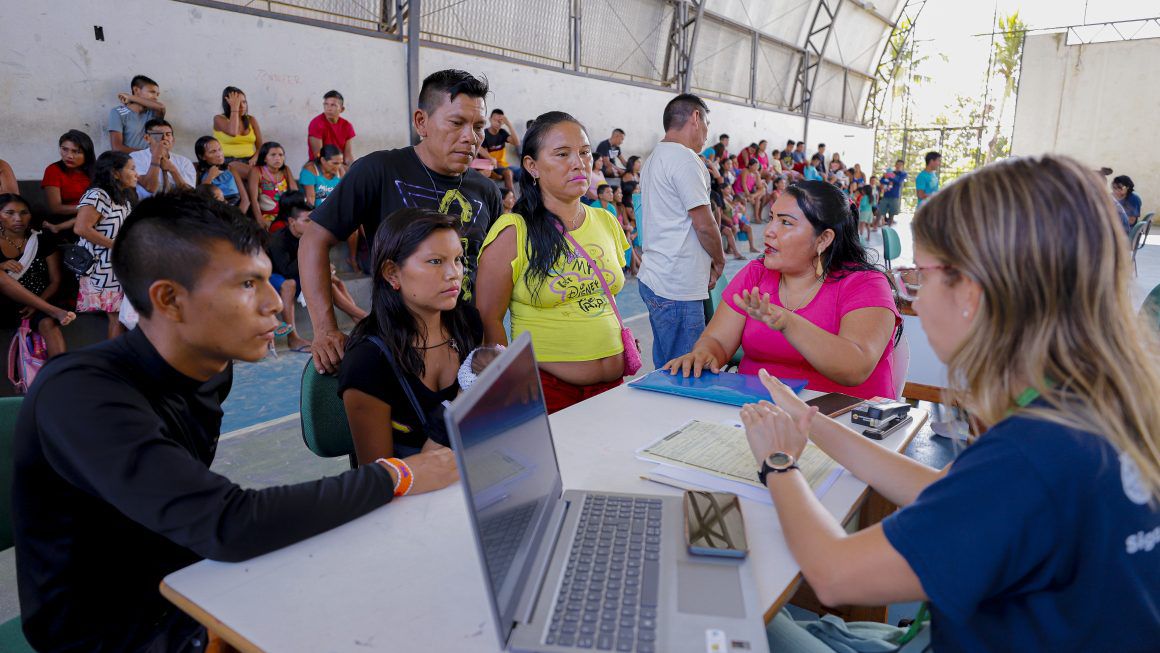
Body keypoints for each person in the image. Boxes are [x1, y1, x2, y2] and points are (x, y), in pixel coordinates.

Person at [11, 191, 457, 653]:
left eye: (267, 280)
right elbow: (227, 522)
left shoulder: (211, 369)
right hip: (112, 632)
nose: (271, 303)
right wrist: (399, 474)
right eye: (247, 285)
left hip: (194, 580)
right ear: (170, 299)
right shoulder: (81, 395)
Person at [753, 155, 1160, 652]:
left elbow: (835, 575)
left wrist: (779, 465)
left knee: (750, 617)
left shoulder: (1035, 453)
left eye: (921, 278)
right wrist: (811, 423)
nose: (916, 302)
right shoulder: (1096, 407)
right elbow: (945, 490)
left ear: (970, 291)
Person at [301, 69, 502, 374]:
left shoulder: (486, 190)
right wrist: (325, 329)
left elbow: (491, 272)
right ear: (421, 122)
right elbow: (314, 237)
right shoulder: (379, 170)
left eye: (478, 126)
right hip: (397, 349)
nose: (470, 137)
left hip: (467, 349)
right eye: (457, 123)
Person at [663, 180, 899, 400]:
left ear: (823, 239)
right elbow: (717, 340)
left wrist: (788, 322)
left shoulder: (865, 284)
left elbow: (855, 367)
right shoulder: (756, 274)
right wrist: (704, 354)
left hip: (845, 424)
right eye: (772, 218)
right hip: (757, 415)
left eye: (785, 222)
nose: (769, 231)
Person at [476, 111, 631, 413]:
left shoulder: (606, 220)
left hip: (614, 386)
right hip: (548, 392)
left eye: (585, 153)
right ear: (532, 166)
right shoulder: (514, 231)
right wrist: (511, 385)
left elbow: (601, 293)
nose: (579, 163)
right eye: (562, 154)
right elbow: (489, 320)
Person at [340, 207, 482, 461]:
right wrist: (458, 407)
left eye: (458, 259)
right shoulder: (367, 362)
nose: (454, 273)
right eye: (436, 261)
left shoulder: (467, 323)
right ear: (392, 273)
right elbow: (381, 479)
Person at [637, 93, 724, 367]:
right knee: (686, 369)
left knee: (667, 363)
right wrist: (719, 259)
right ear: (696, 118)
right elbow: (704, 222)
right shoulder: (685, 159)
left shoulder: (654, 158)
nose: (707, 135)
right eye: (707, 124)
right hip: (677, 283)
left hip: (658, 274)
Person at [267, 192, 364, 352]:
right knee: (290, 284)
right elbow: (286, 270)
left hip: (296, 276)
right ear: (292, 222)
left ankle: (359, 319)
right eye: (306, 221)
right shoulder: (278, 239)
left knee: (332, 282)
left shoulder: (307, 236)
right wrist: (314, 260)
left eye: (312, 220)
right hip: (277, 277)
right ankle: (293, 339)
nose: (310, 225)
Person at [0, 193, 76, 356]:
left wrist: (36, 304)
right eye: (9, 213)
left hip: (42, 299)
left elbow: (55, 281)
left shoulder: (41, 239)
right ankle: (53, 311)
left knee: (48, 323)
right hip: (5, 304)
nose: (18, 218)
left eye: (24, 213)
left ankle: (60, 373)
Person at [75, 151, 138, 340]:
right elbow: (81, 228)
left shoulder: (122, 196)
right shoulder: (97, 195)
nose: (137, 174)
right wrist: (117, 246)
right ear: (115, 173)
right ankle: (114, 364)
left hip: (116, 264)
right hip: (101, 267)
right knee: (117, 316)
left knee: (122, 315)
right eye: (132, 169)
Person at [40, 130, 96, 238]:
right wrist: (86, 208)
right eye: (64, 149)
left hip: (94, 218)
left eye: (76, 151)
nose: (69, 156)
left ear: (87, 154)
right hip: (64, 221)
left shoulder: (96, 171)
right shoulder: (53, 170)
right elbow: (55, 208)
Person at [131, 118, 195, 198]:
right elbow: (149, 187)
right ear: (147, 138)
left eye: (168, 134)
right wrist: (156, 157)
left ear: (173, 140)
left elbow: (190, 194)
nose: (164, 138)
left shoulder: (185, 162)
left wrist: (173, 170)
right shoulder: (134, 158)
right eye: (158, 134)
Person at [213, 86, 263, 177]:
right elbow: (233, 132)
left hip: (250, 161)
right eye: (237, 103)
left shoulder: (251, 120)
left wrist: (255, 158)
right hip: (228, 162)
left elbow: (260, 146)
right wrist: (234, 108)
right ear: (228, 104)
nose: (242, 106)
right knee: (254, 174)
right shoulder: (218, 119)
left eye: (244, 102)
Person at [108, 74, 166, 153]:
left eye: (157, 94)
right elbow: (117, 148)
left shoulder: (153, 113)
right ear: (136, 90)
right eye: (152, 92)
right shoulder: (118, 112)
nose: (155, 97)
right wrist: (143, 155)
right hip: (127, 161)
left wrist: (130, 97)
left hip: (151, 161)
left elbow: (161, 107)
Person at [246, 141, 298, 230]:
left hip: (285, 217)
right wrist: (260, 220)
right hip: (266, 217)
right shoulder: (257, 171)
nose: (278, 158)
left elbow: (294, 193)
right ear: (264, 158)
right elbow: (253, 200)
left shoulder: (285, 170)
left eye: (281, 155)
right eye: (273, 155)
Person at [194, 135, 249, 211]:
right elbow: (200, 199)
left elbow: (245, 200)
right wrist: (210, 176)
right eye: (213, 151)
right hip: (215, 215)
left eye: (220, 149)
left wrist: (238, 219)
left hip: (236, 213)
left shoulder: (230, 169)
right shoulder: (199, 172)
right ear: (202, 156)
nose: (219, 154)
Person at [307, 89, 356, 162]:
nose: (329, 108)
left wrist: (352, 170)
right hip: (320, 163)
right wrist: (338, 169)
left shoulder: (347, 126)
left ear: (342, 109)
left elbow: (348, 155)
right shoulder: (316, 123)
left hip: (339, 164)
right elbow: (318, 155)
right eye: (326, 104)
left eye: (333, 105)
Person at [482, 108, 520, 192]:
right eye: (495, 120)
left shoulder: (502, 133)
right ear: (490, 119)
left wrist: (509, 124)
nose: (497, 123)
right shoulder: (484, 134)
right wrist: (491, 158)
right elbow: (481, 151)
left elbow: (517, 143)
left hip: (504, 165)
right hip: (493, 166)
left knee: (524, 172)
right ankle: (511, 199)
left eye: (499, 121)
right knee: (508, 173)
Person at [880, 159, 906, 225]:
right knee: (881, 212)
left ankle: (890, 227)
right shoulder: (890, 172)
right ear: (895, 165)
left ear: (903, 166)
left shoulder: (903, 174)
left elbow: (898, 182)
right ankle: (879, 225)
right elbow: (882, 180)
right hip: (886, 195)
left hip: (894, 196)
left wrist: (889, 177)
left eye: (901, 165)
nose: (899, 166)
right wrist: (889, 178)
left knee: (892, 214)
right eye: (898, 164)